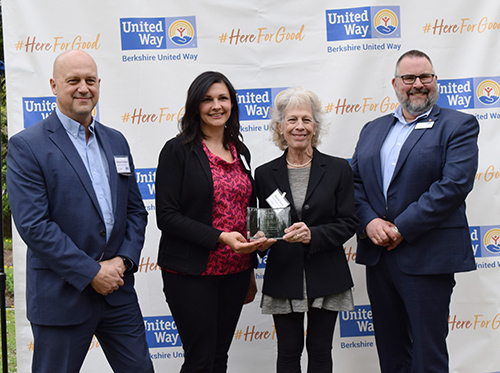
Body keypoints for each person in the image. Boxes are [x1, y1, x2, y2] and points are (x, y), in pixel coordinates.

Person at [6, 50, 154, 372]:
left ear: (99, 84)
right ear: (54, 85)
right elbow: (34, 225)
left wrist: (123, 261)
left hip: (117, 292)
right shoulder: (27, 146)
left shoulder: (116, 141)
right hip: (63, 295)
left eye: (90, 80)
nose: (83, 88)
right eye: (73, 81)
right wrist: (91, 273)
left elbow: (135, 212)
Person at [351, 50, 479, 373]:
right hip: (379, 258)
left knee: (427, 353)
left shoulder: (458, 125)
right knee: (391, 353)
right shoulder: (372, 129)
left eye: (425, 77)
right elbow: (353, 183)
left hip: (427, 256)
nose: (418, 84)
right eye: (409, 78)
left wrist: (401, 227)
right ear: (395, 84)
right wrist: (369, 223)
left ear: (435, 81)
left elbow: (453, 186)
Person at [155, 71, 271, 373]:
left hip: (235, 272)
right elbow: (166, 216)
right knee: (201, 359)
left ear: (232, 104)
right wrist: (221, 237)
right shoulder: (177, 150)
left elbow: (243, 208)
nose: (216, 105)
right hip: (192, 272)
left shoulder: (239, 151)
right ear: (195, 106)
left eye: (223, 98)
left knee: (219, 356)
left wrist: (251, 260)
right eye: (207, 99)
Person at [254, 87, 359, 372]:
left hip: (328, 273)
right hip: (284, 274)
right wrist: (261, 240)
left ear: (316, 126)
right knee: (288, 352)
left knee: (320, 350)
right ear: (280, 127)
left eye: (306, 120)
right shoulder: (264, 174)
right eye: (291, 120)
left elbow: (349, 221)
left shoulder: (339, 169)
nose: (299, 126)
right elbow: (267, 225)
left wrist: (314, 235)